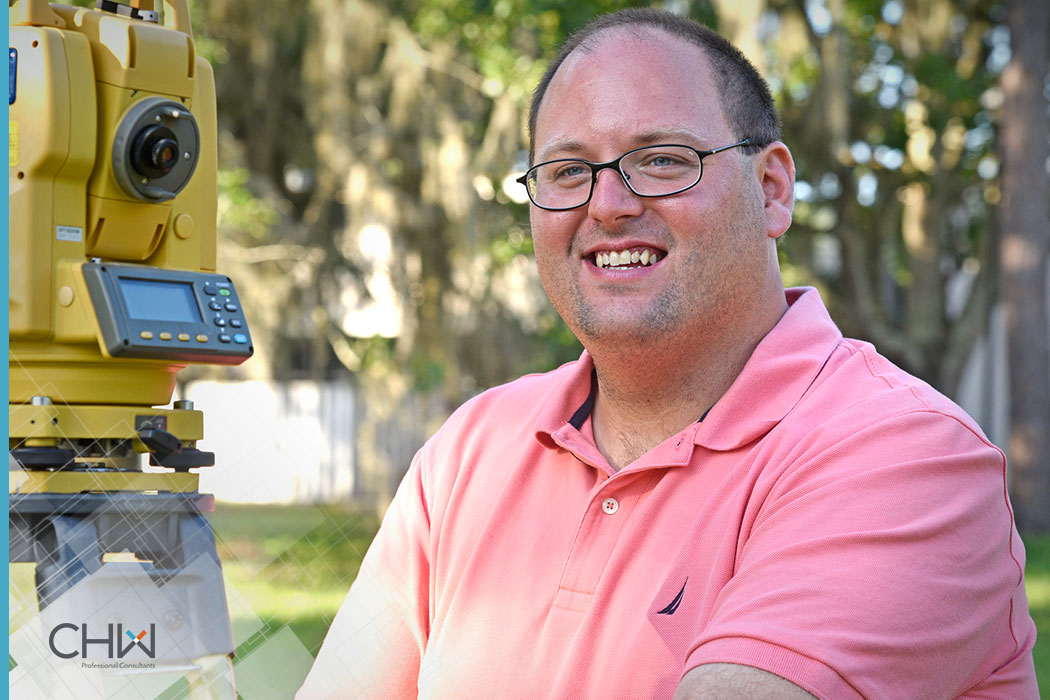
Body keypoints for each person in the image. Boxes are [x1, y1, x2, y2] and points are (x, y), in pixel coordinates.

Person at [297, 8, 1038, 699]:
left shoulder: (902, 456)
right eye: (566, 171)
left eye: (659, 159)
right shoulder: (474, 447)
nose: (607, 204)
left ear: (772, 188)